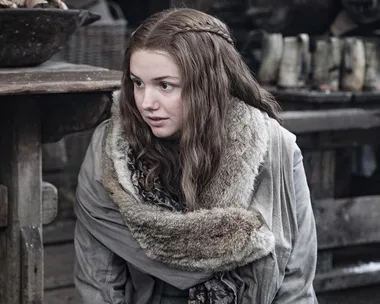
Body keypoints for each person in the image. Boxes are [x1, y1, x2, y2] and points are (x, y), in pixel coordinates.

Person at [74, 7, 318, 304]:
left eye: (165, 85)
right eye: (137, 83)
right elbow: (98, 281)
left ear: (208, 84)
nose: (146, 102)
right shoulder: (111, 151)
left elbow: (296, 283)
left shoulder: (275, 149)